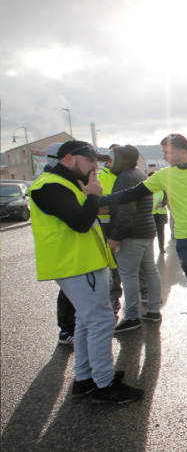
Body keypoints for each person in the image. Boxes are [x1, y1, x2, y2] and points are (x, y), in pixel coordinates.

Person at [29, 140, 144, 404]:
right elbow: (81, 222)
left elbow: (89, 211)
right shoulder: (49, 186)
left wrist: (94, 199)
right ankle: (104, 385)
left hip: (85, 264)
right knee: (101, 321)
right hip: (77, 265)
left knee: (85, 320)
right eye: (90, 159)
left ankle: (85, 378)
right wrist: (92, 196)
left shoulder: (66, 184)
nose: (96, 165)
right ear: (69, 158)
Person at [100, 134, 187, 346]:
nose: (164, 156)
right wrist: (98, 201)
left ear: (182, 151)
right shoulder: (164, 175)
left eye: (167, 152)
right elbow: (132, 194)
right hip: (185, 237)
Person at [107, 146, 163, 333]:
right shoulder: (139, 174)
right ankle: (154, 310)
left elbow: (125, 209)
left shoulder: (124, 178)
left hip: (132, 234)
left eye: (112, 158)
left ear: (122, 160)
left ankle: (131, 317)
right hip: (147, 230)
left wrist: (115, 236)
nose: (109, 163)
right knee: (150, 270)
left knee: (129, 275)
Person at [44, 143, 77, 346]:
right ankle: (66, 330)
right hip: (63, 246)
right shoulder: (51, 183)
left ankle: (69, 329)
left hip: (67, 245)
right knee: (69, 290)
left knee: (70, 290)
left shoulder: (60, 180)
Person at [97, 145, 123, 312]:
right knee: (108, 263)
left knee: (118, 263)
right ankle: (111, 298)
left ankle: (115, 297)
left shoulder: (122, 176)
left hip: (120, 224)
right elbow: (95, 203)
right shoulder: (99, 176)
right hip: (103, 226)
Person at [148, 171, 169, 253]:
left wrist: (162, 203)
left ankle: (161, 247)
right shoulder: (148, 187)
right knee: (151, 232)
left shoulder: (163, 187)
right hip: (151, 213)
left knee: (161, 232)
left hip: (160, 213)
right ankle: (150, 249)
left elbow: (166, 199)